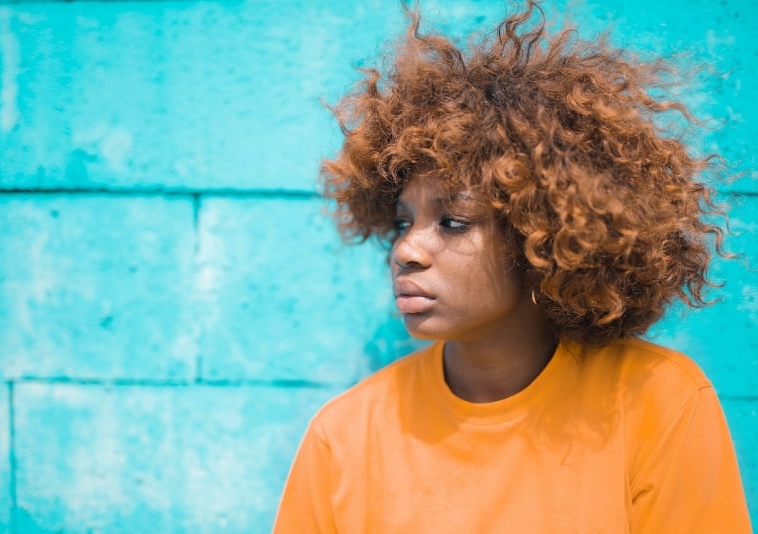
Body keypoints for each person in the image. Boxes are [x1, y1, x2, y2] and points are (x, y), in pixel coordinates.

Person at [273, 1, 751, 532]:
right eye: (403, 222)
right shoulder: (342, 436)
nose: (406, 250)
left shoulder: (659, 401)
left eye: (453, 221)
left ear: (541, 235)